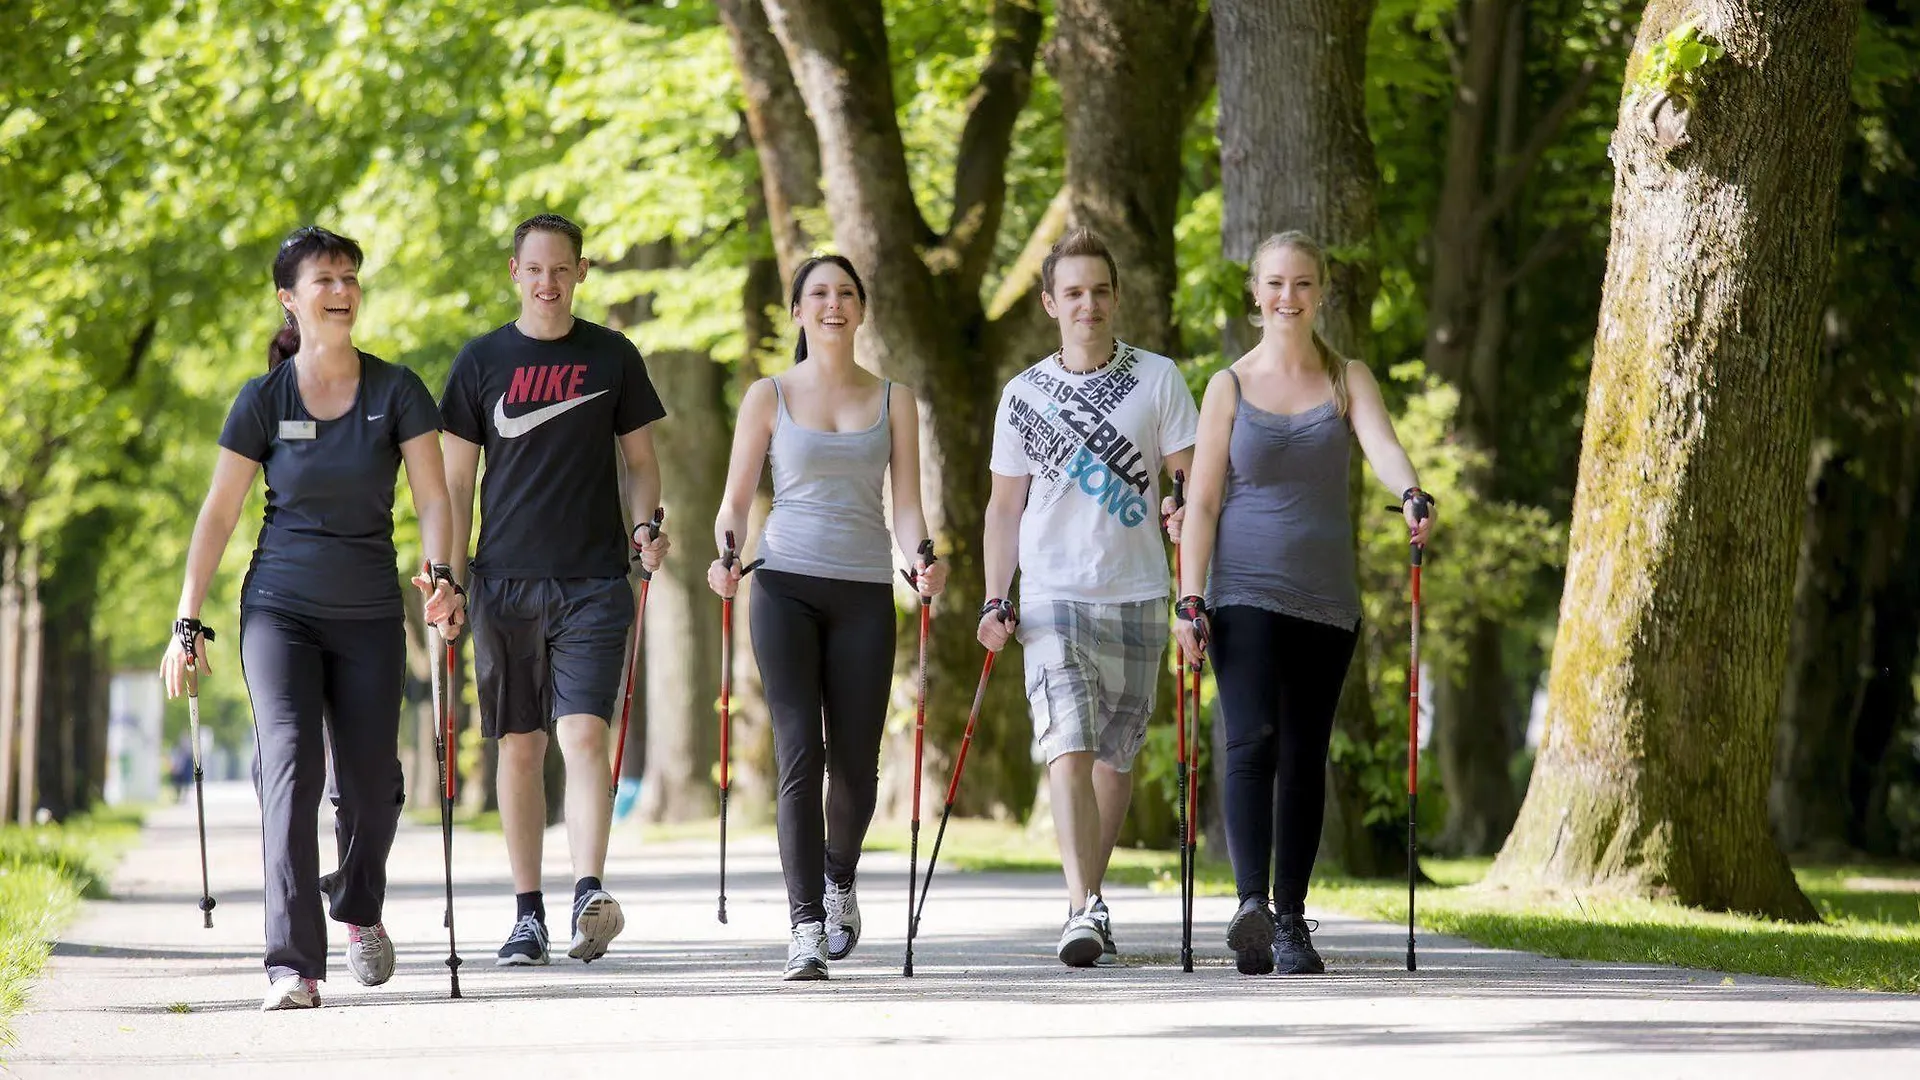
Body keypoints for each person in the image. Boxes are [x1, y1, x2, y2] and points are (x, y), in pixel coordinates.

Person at [160, 226, 461, 1011]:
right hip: (279, 610)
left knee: (373, 786)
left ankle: (358, 906)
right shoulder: (265, 399)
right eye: (323, 278)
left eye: (350, 277)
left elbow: (433, 496)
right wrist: (185, 622)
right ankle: (292, 963)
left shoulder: (398, 390)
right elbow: (218, 514)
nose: (340, 290)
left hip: (367, 609)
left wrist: (442, 575)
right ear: (290, 298)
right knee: (290, 770)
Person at [1172, 230, 1435, 976]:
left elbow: (1383, 447)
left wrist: (1410, 491)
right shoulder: (1228, 385)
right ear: (1255, 295)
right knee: (1250, 734)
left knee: (1303, 753)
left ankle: (1291, 921)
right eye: (1275, 284)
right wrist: (1190, 598)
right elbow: (1204, 500)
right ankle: (1251, 902)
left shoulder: (1348, 378)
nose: (1288, 297)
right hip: (1242, 591)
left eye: (1303, 284)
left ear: (1321, 293)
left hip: (1325, 600)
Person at [440, 213, 671, 968]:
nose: (549, 282)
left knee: (584, 735)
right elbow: (454, 482)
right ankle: (526, 913)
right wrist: (442, 580)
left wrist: (647, 528)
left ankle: (588, 894)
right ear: (515, 273)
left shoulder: (613, 355)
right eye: (535, 269)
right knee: (519, 745)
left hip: (596, 581)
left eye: (562, 269)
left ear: (581, 272)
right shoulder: (479, 364)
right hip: (502, 582)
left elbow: (641, 462)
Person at [707, 254, 945, 980]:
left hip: (864, 590)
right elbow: (736, 501)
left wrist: (921, 556)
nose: (833, 304)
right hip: (783, 585)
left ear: (862, 309)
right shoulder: (768, 395)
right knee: (798, 755)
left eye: (845, 293)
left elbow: (905, 503)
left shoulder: (893, 398)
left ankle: (839, 875)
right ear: (799, 312)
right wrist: (726, 554)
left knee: (857, 768)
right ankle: (804, 923)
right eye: (819, 294)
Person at [979, 228, 1198, 967]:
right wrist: (993, 596)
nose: (1088, 304)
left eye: (1100, 291)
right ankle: (1082, 906)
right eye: (1073, 292)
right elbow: (1003, 508)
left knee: (1114, 758)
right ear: (1050, 303)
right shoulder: (1024, 395)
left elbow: (1189, 480)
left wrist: (1182, 513)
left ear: (1116, 298)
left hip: (1137, 591)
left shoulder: (1158, 379)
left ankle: (1091, 902)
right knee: (1066, 745)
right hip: (1052, 594)